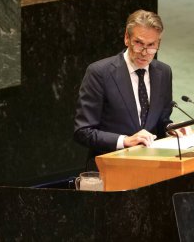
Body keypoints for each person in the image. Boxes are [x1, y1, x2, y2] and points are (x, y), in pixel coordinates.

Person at [74, 9, 176, 164]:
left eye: (151, 45)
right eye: (138, 43)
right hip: (111, 166)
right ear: (126, 39)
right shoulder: (100, 73)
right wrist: (125, 141)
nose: (144, 52)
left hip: (152, 164)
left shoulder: (163, 72)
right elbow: (83, 131)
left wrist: (172, 129)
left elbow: (161, 121)